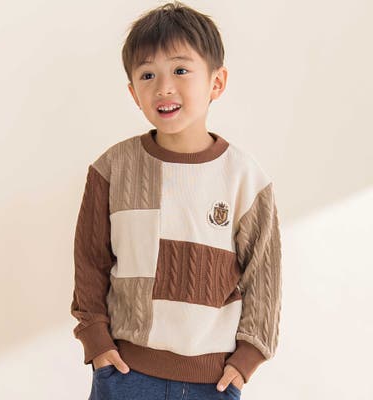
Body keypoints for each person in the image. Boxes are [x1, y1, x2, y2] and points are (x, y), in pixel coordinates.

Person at [70, 1, 282, 399]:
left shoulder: (245, 178)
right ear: (134, 93)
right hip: (124, 371)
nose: (164, 87)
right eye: (148, 75)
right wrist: (96, 341)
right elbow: (90, 261)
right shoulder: (112, 169)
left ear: (217, 82)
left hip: (214, 379)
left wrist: (247, 358)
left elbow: (264, 276)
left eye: (181, 70)